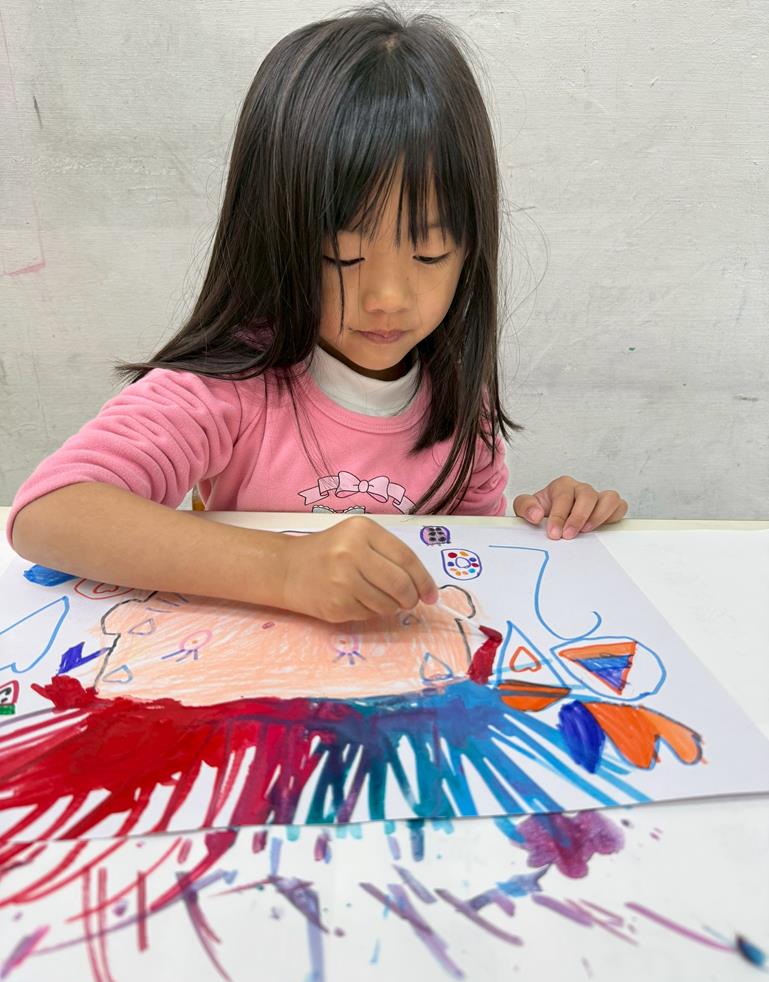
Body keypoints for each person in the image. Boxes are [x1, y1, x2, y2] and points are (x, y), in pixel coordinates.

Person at [8, 3, 628, 624]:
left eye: (429, 253)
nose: (388, 297)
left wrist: (550, 519)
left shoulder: (462, 400)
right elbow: (50, 513)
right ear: (271, 238)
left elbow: (462, 560)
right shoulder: (233, 384)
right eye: (342, 257)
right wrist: (284, 569)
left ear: (471, 249)